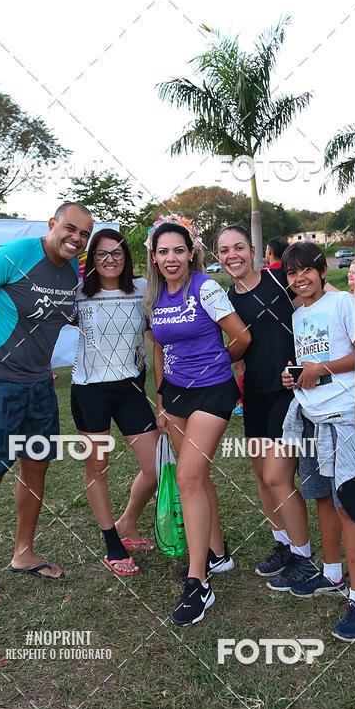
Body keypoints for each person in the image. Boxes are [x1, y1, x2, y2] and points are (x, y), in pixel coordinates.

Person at [0, 202, 93, 605]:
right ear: (52, 224)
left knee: (35, 471)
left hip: (40, 387)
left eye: (84, 234)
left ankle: (23, 553)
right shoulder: (13, 254)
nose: (76, 238)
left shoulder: (74, 271)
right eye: (70, 228)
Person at [218, 226, 343, 595]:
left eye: (238, 247)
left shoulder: (280, 281)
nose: (232, 256)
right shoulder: (226, 299)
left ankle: (304, 558)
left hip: (289, 394)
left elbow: (327, 300)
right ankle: (284, 544)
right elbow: (237, 348)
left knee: (277, 477)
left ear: (253, 250)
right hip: (254, 395)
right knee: (261, 475)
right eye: (224, 250)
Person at [144, 215, 251, 625]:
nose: (171, 258)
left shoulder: (205, 288)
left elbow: (242, 337)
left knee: (188, 478)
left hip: (212, 393)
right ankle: (218, 553)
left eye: (178, 250)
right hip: (175, 396)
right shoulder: (155, 300)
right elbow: (157, 348)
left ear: (191, 254)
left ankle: (198, 582)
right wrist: (160, 398)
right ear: (154, 259)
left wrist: (215, 365)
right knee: (199, 477)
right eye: (163, 251)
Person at [281, 241, 355, 642]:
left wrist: (322, 367)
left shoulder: (343, 303)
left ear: (323, 271)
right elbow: (309, 365)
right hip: (310, 417)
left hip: (344, 419)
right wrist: (296, 375)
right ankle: (332, 574)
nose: (299, 278)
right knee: (321, 496)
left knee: (349, 506)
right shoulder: (297, 313)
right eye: (291, 273)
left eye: (306, 270)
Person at [71, 228, 159, 576]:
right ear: (92, 259)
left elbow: (159, 336)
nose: (109, 260)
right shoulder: (77, 295)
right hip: (89, 390)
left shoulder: (143, 291)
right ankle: (112, 542)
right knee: (97, 468)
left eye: (117, 254)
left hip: (131, 389)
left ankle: (127, 523)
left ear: (126, 258)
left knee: (157, 467)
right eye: (102, 254)